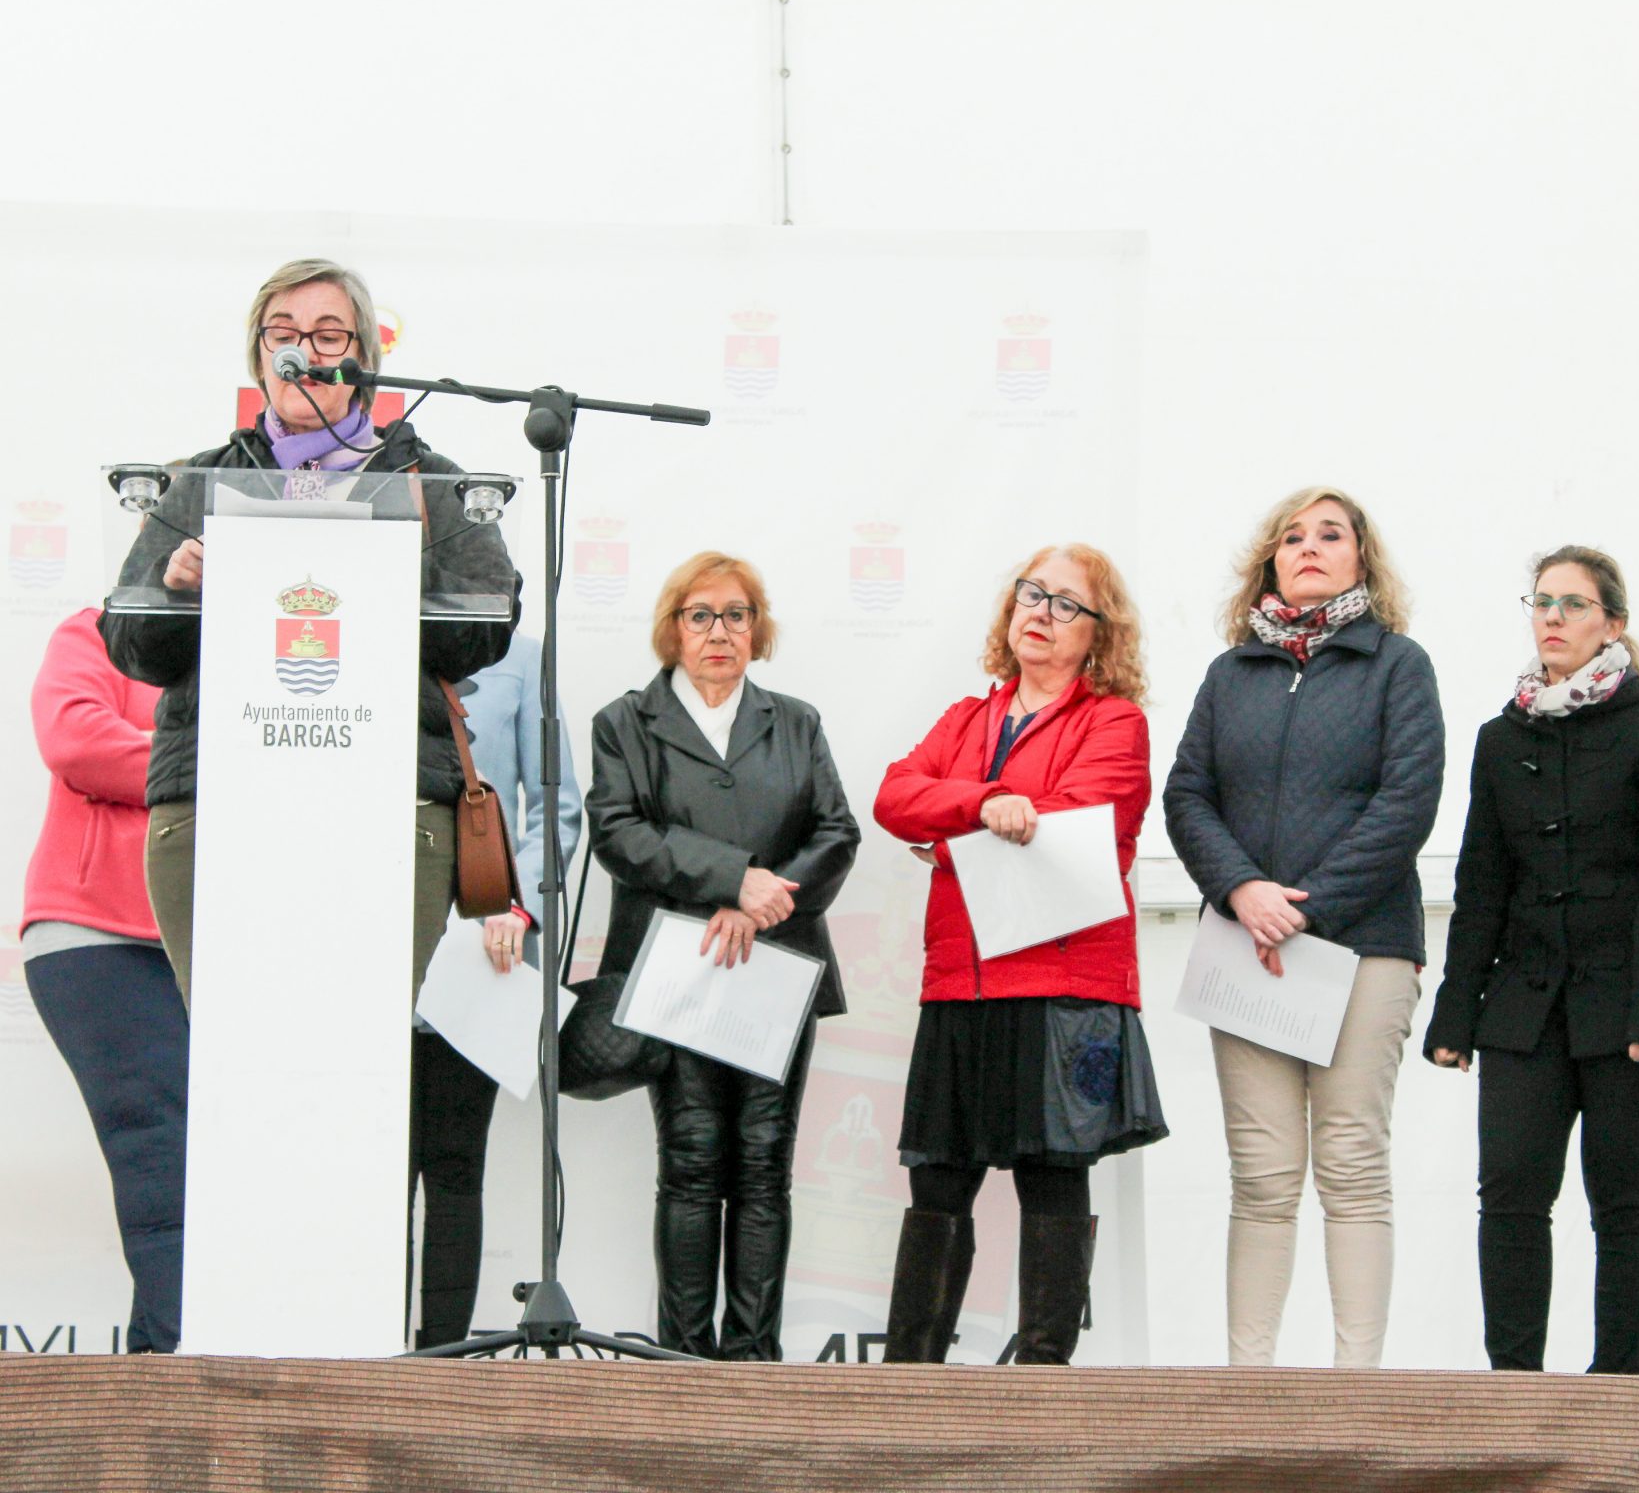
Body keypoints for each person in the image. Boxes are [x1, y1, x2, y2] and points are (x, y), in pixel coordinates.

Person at [97, 257, 520, 1348]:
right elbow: (132, 639)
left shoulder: (427, 479)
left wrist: (392, 561)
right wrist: (185, 579)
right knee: (239, 1068)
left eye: (329, 331)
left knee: (355, 1073)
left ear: (369, 356)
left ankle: (345, 1328)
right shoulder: (198, 482)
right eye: (283, 328)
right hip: (220, 809)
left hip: (389, 814)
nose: (305, 347)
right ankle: (239, 1330)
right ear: (257, 355)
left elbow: (485, 623)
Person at [1421, 546, 1639, 1374]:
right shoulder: (1499, 735)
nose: (1551, 618)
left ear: (1612, 624)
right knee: (1510, 1196)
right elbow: (1480, 884)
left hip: (1632, 1004)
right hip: (1524, 1002)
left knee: (1623, 1202)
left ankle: (1617, 1390)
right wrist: (1455, 1015)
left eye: (1573, 604)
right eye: (1541, 601)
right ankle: (1516, 1386)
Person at [1163, 486, 1443, 1368]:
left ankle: (1354, 1384)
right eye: (1292, 536)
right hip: (1248, 949)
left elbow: (1409, 802)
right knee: (1262, 1177)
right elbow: (1187, 795)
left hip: (1362, 950)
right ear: (1270, 561)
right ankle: (1253, 1385)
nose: (1310, 546)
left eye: (1332, 534)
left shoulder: (1399, 665)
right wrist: (1245, 892)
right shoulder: (1228, 673)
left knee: (1352, 1166)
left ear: (1363, 559)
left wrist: (1304, 906)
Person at [874, 544, 1165, 1366]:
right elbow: (895, 795)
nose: (1040, 612)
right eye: (1031, 594)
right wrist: (984, 805)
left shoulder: (1115, 722)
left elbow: (1080, 826)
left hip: (1062, 983)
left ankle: (1042, 1377)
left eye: (1067, 604)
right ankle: (908, 1378)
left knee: (1051, 1175)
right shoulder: (967, 718)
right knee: (937, 1183)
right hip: (960, 981)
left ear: (1100, 634)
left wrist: (950, 840)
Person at [588, 553, 859, 1360]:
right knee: (694, 1160)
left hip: (776, 966)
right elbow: (619, 833)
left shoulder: (796, 721)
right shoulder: (625, 722)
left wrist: (766, 900)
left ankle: (751, 1360)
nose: (719, 632)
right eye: (700, 615)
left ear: (757, 629)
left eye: (736, 615)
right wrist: (731, 881)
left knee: (764, 1163)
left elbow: (836, 833)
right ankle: (683, 1360)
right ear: (672, 629)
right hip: (680, 966)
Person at [403, 631, 584, 1349]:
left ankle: (440, 1360)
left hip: (480, 940)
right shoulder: (357, 623)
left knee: (453, 1164)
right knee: (370, 1161)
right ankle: (363, 1352)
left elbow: (556, 802)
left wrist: (518, 905)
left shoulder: (519, 653)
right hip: (368, 936)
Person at [21, 610, 186, 1353]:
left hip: (217, 945)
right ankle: (195, 1362)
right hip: (96, 936)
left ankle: (154, 1377)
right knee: (161, 1151)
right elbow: (77, 742)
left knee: (206, 1164)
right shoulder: (94, 631)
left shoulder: (256, 646)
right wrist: (203, 762)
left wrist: (162, 754)